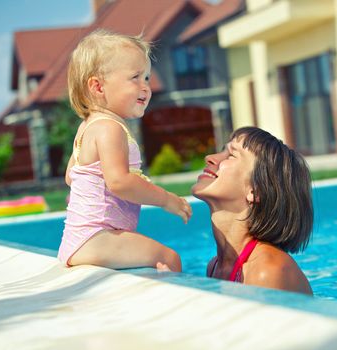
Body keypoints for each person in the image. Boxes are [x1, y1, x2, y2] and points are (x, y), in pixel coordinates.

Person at [57, 29, 192, 272]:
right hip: (97, 237)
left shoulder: (88, 126)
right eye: (135, 77)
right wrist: (166, 200)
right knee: (169, 259)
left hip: (80, 239)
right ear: (98, 87)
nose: (146, 87)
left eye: (148, 78)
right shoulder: (110, 128)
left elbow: (71, 176)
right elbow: (119, 182)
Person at [192, 127, 314, 295]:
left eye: (231, 155)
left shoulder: (266, 272)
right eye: (222, 151)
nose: (210, 158)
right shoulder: (215, 267)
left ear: (256, 191)